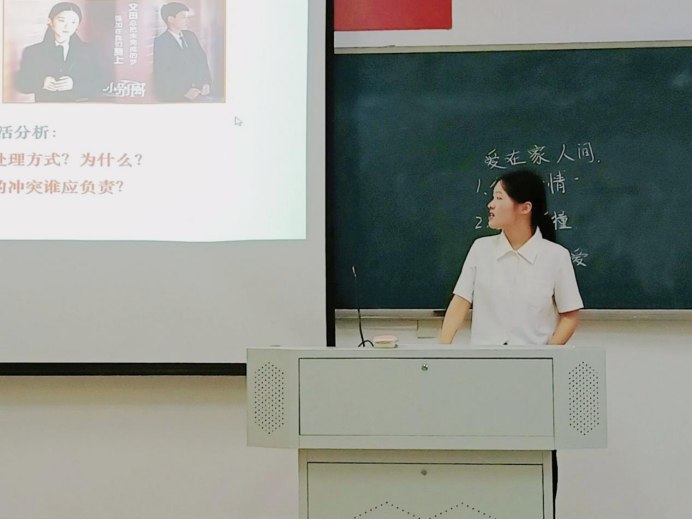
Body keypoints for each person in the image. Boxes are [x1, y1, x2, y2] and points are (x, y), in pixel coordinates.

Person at [440, 169, 584, 517]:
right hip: (482, 377)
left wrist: (545, 357)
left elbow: (570, 314)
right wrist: (441, 352)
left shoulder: (555, 257)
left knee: (536, 466)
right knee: (483, 465)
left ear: (525, 207)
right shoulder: (481, 250)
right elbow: (460, 303)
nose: (490, 205)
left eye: (498, 198)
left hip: (533, 383)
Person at [16, 2, 104, 102]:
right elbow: (21, 84)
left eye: (73, 22)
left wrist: (75, 84)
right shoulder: (33, 51)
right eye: (62, 20)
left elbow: (100, 84)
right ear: (50, 22)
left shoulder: (89, 51)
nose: (67, 26)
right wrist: (41, 82)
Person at [153, 2, 212, 102]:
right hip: (178, 96)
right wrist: (183, 93)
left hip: (199, 92)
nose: (188, 20)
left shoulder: (190, 36)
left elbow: (202, 60)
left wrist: (206, 82)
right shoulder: (161, 42)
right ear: (171, 19)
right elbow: (162, 74)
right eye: (183, 17)